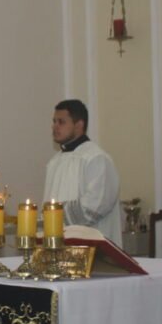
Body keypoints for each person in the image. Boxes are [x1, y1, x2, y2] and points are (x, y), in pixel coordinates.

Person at [43, 99, 123, 245]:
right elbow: (47, 204)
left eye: (61, 122)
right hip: (59, 245)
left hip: (93, 248)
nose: (54, 127)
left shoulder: (97, 158)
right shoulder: (54, 162)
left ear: (79, 125)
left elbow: (95, 207)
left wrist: (53, 215)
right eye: (54, 121)